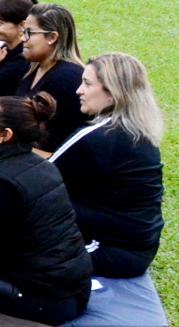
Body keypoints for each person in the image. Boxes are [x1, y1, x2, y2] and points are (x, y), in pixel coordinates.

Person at [0, 93, 94, 325]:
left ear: (5, 135)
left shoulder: (1, 183)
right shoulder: (41, 165)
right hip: (74, 288)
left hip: (44, 300)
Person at [51, 52, 165, 278]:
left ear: (112, 94)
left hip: (106, 249)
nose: (79, 91)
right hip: (135, 250)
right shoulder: (140, 134)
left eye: (87, 84)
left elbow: (36, 179)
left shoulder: (98, 137)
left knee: (10, 256)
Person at [14, 3, 87, 150]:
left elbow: (54, 140)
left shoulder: (67, 78)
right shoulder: (32, 68)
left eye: (29, 32)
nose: (23, 39)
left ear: (52, 37)